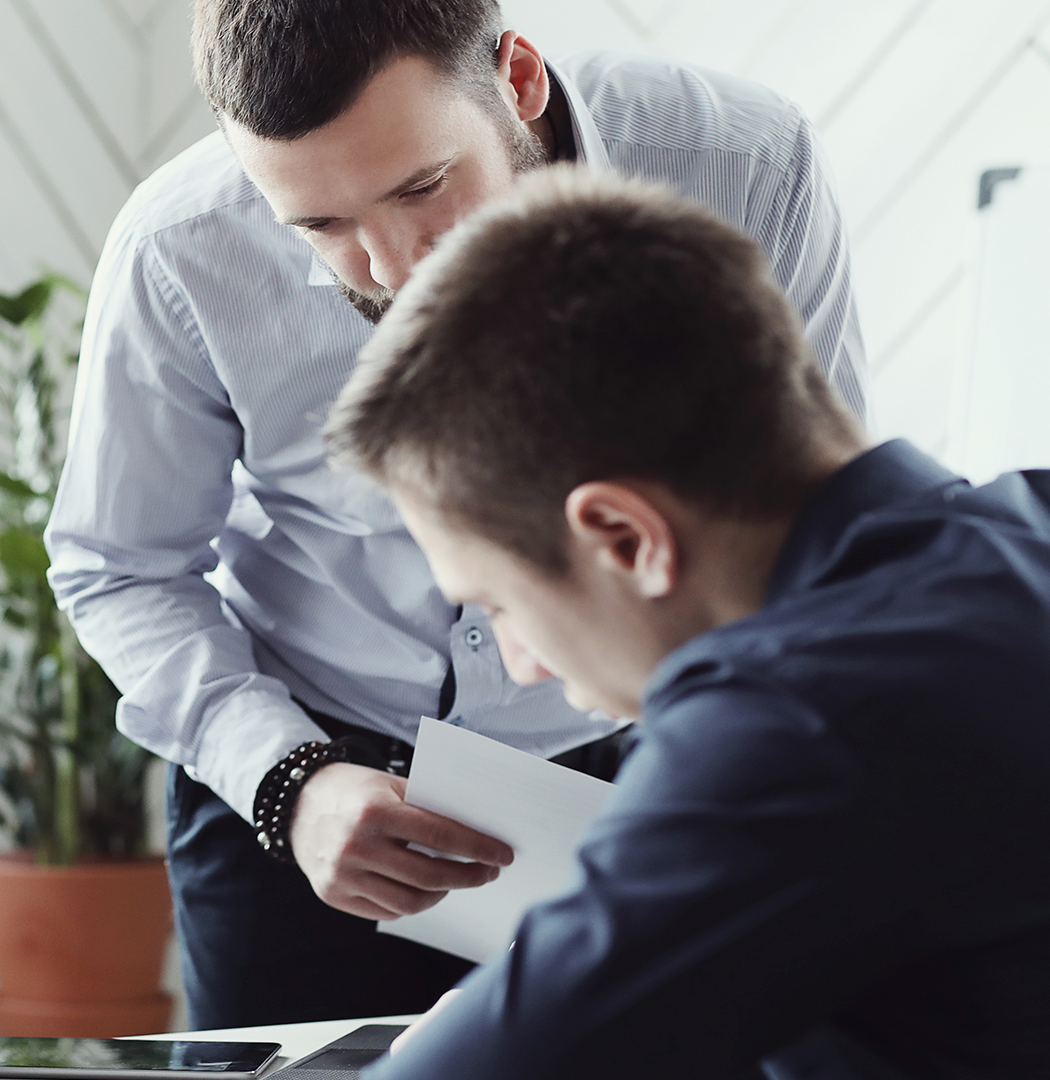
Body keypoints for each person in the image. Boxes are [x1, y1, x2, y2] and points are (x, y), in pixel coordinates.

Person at [44, 0, 872, 1027]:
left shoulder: (746, 162)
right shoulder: (179, 245)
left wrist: (722, 776)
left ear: (517, 79)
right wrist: (287, 780)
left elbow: (811, 519)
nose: (394, 270)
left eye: (422, 186)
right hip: (304, 791)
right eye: (321, 226)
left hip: (652, 768)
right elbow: (117, 565)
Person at [326, 167, 1050, 1079]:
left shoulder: (796, 719)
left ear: (624, 538)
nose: (524, 664)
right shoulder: (1021, 533)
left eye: (502, 605)